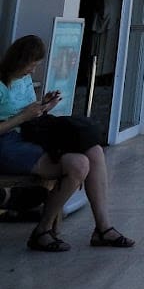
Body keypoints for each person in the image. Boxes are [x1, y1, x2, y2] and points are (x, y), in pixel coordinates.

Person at [0, 35, 134, 253]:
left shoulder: (23, 80)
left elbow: (28, 115)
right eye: (31, 65)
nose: (32, 71)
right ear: (19, 60)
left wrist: (43, 107)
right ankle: (43, 230)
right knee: (78, 165)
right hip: (8, 143)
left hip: (29, 135)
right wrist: (23, 117)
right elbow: (18, 118)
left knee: (94, 151)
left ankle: (103, 226)